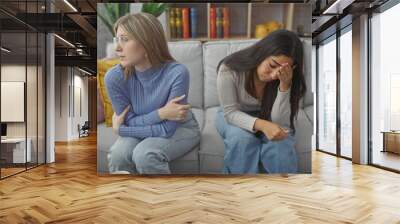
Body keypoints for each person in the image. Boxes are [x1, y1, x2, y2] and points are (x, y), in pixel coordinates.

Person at [104, 13, 200, 174]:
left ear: (147, 43)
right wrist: (161, 113)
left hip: (180, 128)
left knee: (145, 154)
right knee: (118, 155)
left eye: (125, 39)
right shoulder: (114, 77)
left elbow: (168, 129)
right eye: (117, 39)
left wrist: (121, 130)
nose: (117, 48)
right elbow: (128, 120)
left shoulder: (177, 73)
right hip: (152, 124)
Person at [215, 29, 306, 174]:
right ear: (262, 53)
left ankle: (285, 192)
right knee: (242, 140)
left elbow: (280, 122)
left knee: (281, 144)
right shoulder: (229, 69)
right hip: (234, 113)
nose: (274, 75)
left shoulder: (284, 78)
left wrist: (284, 85)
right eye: (272, 65)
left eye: (282, 70)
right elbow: (230, 113)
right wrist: (263, 125)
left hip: (268, 114)